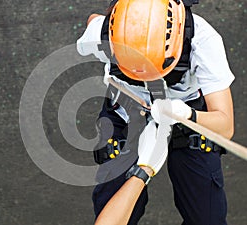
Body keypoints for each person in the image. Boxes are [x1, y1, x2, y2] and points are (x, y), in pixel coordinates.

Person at [77, 0, 235, 224]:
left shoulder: (204, 41)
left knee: (207, 217)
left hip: (186, 117)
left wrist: (187, 114)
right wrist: (144, 170)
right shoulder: (105, 35)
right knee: (117, 206)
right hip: (125, 117)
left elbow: (225, 126)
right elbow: (94, 21)